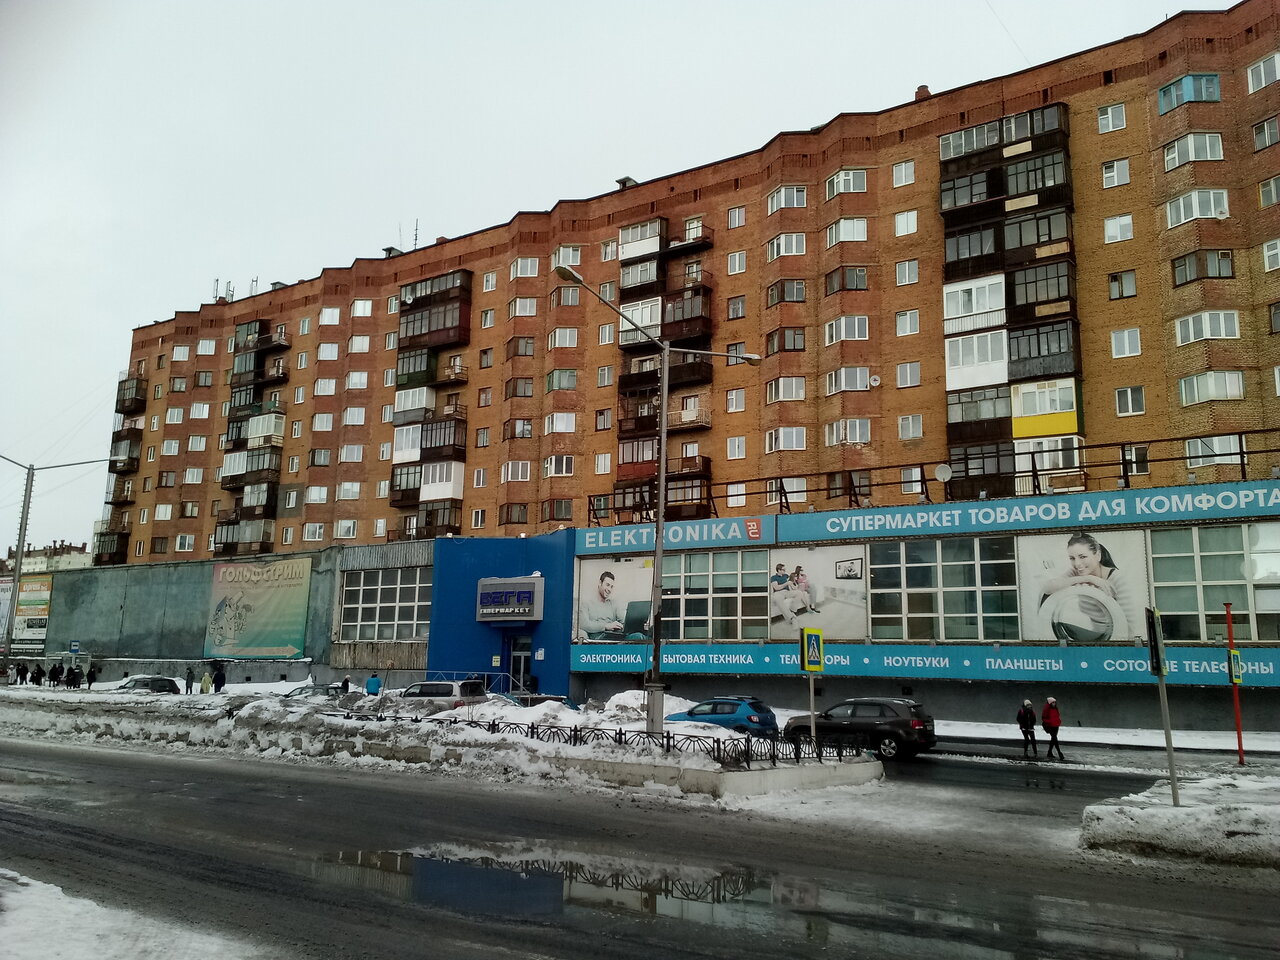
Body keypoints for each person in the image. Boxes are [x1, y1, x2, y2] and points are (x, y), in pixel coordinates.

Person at [1039, 532, 1128, 642]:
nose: (1077, 564)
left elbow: (1129, 627)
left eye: (1083, 557)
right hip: (1090, 635)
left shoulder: (1117, 579)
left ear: (1098, 555)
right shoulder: (1077, 572)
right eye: (1072, 558)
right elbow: (1048, 588)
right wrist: (1088, 578)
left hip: (1113, 639)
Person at [578, 571, 646, 641]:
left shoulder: (613, 604)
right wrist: (606, 626)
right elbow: (584, 625)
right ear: (600, 583)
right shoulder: (586, 603)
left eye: (611, 587)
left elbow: (624, 621)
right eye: (607, 585)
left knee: (639, 636)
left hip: (615, 636)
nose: (609, 589)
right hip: (599, 637)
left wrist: (634, 621)